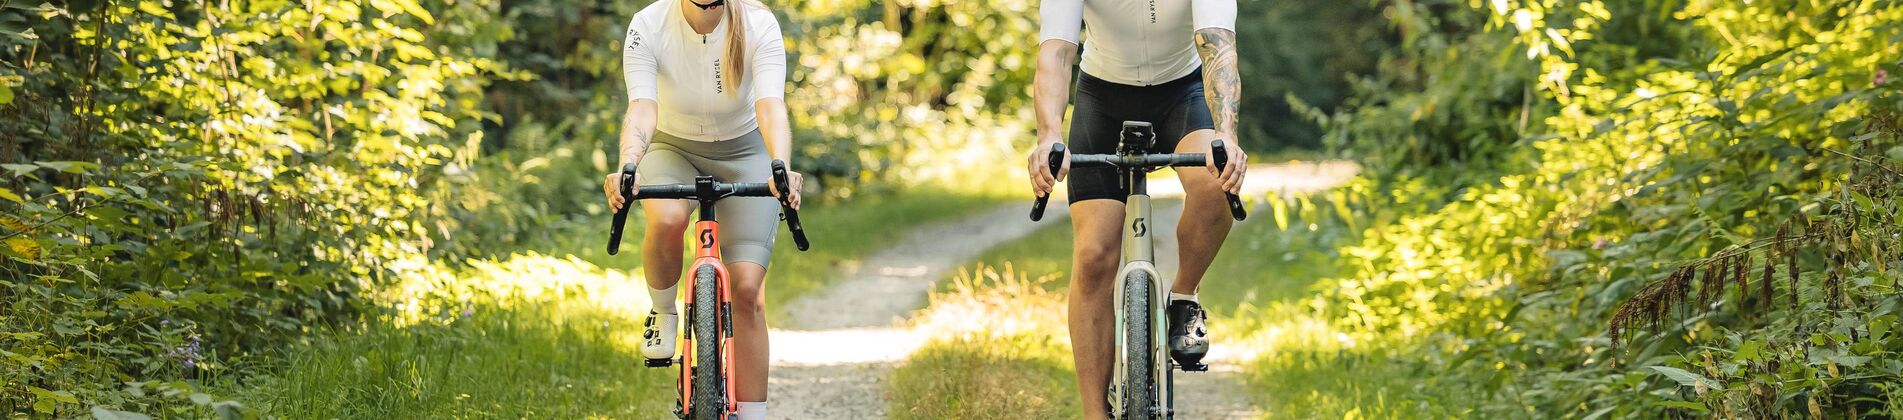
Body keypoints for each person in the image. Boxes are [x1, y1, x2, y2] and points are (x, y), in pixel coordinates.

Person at [1026, 0, 1246, 417]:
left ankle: (1184, 295)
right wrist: (1049, 136)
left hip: (1182, 94)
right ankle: (1095, 413)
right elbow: (1056, 51)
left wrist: (1226, 135)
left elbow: (1217, 45)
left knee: (1214, 183)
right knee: (1093, 255)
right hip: (1102, 98)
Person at [601, 0, 798, 418]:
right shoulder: (649, 24)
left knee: (747, 290)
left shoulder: (758, 23)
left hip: (745, 151)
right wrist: (628, 164)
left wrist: (780, 165)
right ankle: (663, 309)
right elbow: (642, 106)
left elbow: (770, 105)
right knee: (668, 217)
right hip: (672, 147)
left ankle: (752, 415)